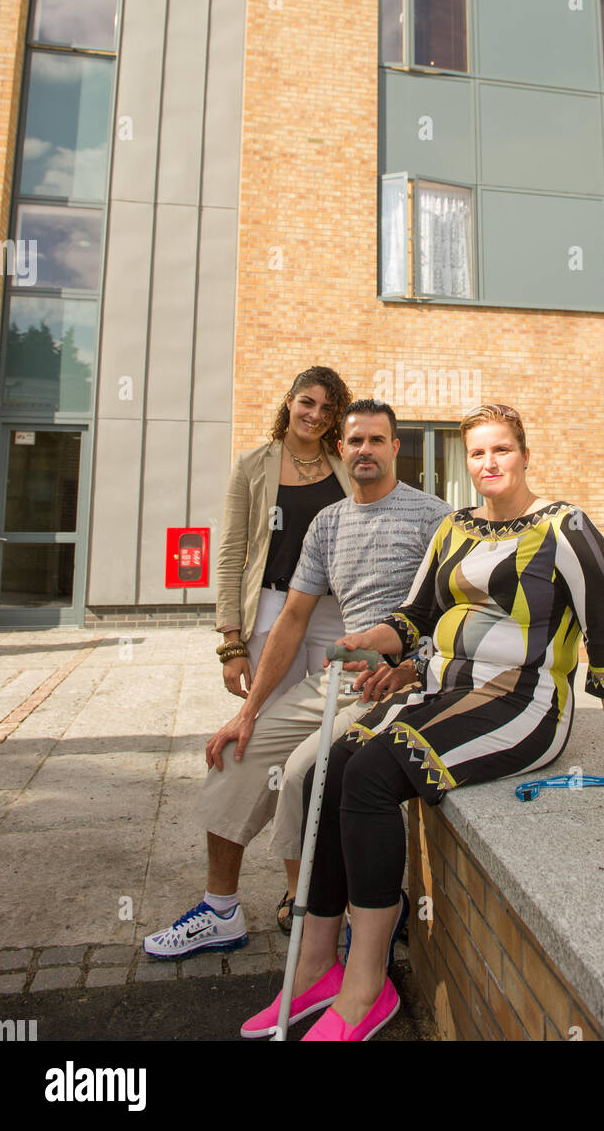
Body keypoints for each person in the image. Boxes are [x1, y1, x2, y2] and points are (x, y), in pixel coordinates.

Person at [240, 402, 604, 1042]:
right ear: (465, 461)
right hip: (443, 689)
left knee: (367, 779)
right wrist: (374, 634)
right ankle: (315, 968)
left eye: (501, 450)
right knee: (324, 773)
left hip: (520, 703)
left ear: (524, 454)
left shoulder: (566, 528)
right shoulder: (456, 528)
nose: (489, 463)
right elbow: (417, 615)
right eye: (477, 452)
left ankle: (367, 983)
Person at [142, 400, 450, 961]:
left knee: (308, 771)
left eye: (376, 440)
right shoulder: (327, 523)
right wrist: (248, 710)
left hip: (400, 685)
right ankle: (220, 910)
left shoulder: (433, 517)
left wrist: (414, 665)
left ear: (395, 448)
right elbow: (292, 618)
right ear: (340, 449)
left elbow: (452, 613)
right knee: (239, 751)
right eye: (354, 441)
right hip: (336, 681)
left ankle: (339, 916)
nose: (364, 451)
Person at [214, 365, 352, 932]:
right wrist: (230, 641)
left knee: (316, 749)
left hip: (331, 613)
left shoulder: (344, 468)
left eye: (326, 408)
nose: (314, 415)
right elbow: (230, 552)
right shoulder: (254, 464)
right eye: (307, 402)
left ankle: (302, 892)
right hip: (273, 611)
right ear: (290, 402)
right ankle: (244, 896)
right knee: (263, 745)